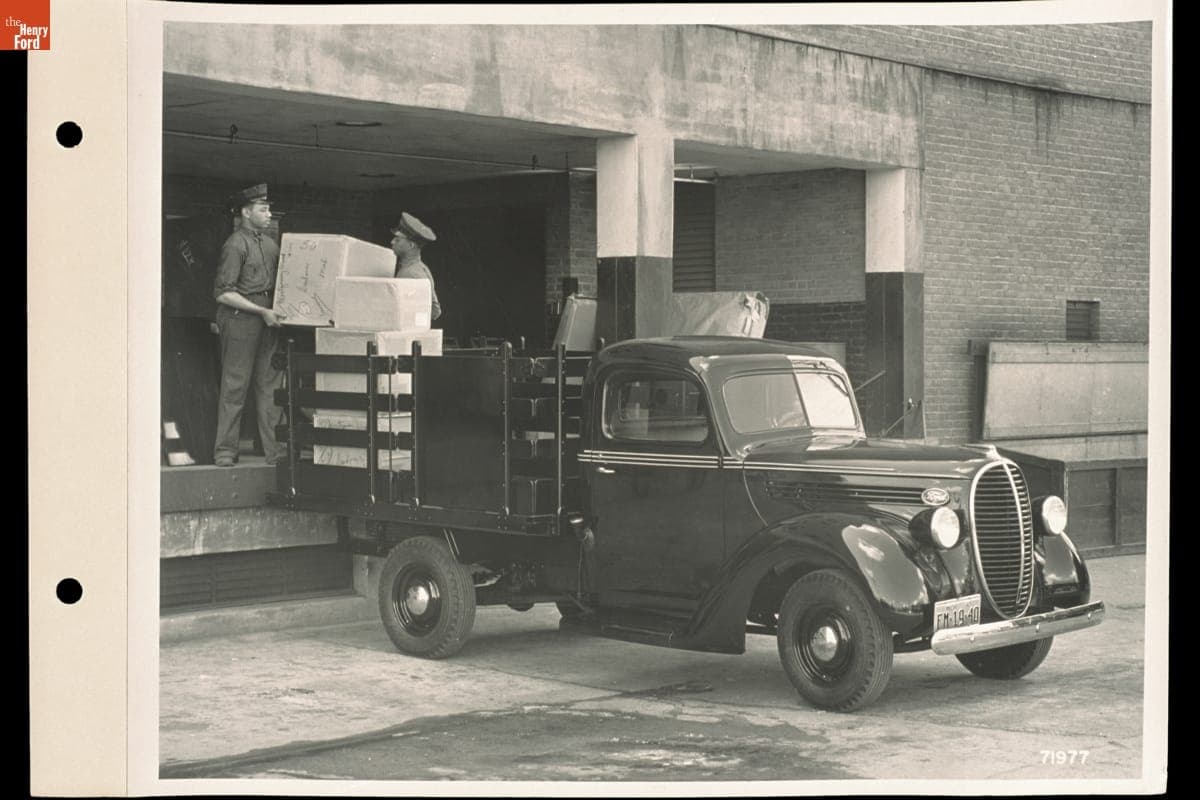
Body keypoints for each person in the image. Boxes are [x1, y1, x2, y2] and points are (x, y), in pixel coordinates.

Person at [212, 183, 287, 467]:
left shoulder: (270, 245)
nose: (268, 214)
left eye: (268, 209)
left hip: (267, 319)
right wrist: (261, 311)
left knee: (270, 387)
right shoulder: (234, 245)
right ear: (245, 212)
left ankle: (275, 452)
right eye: (263, 209)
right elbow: (223, 293)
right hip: (240, 320)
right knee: (235, 384)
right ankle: (225, 451)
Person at [390, 212, 441, 322]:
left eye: (398, 239)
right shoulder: (412, 268)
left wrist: (414, 322)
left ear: (411, 245)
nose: (392, 242)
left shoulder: (412, 273)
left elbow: (434, 311)